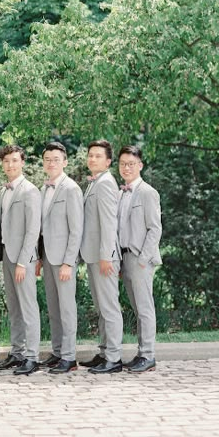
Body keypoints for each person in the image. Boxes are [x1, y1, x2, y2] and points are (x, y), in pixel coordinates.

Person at [0, 145, 41, 376]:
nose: (10, 165)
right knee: (13, 307)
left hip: (23, 258)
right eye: (6, 161)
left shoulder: (30, 191)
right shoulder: (4, 191)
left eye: (14, 160)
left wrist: (24, 262)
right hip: (7, 256)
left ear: (22, 162)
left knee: (28, 306)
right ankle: (17, 351)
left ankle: (32, 356)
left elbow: (33, 230)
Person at [38, 142, 84, 374]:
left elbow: (76, 229)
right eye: (47, 159)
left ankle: (69, 357)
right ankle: (57, 352)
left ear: (64, 162)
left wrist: (69, 261)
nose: (51, 163)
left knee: (66, 309)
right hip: (47, 256)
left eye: (56, 159)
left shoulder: (71, 189)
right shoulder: (44, 188)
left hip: (63, 259)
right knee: (53, 308)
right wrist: (38, 257)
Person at [79, 140, 124, 374]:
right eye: (90, 155)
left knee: (109, 307)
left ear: (108, 162)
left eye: (98, 156)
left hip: (104, 256)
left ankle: (114, 358)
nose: (92, 159)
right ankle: (105, 351)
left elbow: (109, 222)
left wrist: (107, 255)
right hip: (95, 255)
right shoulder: (95, 183)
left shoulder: (106, 183)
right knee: (101, 306)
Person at [117, 145, 162, 373]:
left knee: (144, 307)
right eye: (123, 163)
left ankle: (148, 355)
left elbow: (155, 229)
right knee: (136, 307)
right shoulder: (120, 193)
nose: (126, 167)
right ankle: (141, 353)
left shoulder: (147, 192)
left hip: (140, 258)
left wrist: (144, 259)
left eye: (131, 164)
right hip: (124, 258)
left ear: (140, 166)